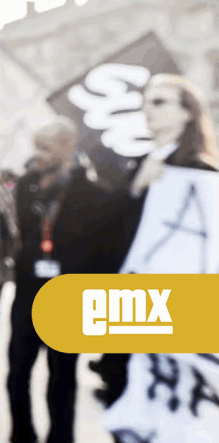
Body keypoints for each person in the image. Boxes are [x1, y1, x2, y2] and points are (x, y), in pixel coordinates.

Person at [96, 73, 219, 442]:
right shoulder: (136, 165)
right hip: (127, 303)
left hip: (175, 311)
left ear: (187, 113)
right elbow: (106, 231)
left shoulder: (203, 171)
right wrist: (136, 188)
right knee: (126, 403)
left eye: (160, 102)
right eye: (146, 101)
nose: (148, 110)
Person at [6, 118, 106, 443]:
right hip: (27, 294)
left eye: (45, 148)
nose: (37, 154)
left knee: (61, 379)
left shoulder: (89, 193)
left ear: (67, 148)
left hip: (67, 299)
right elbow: (23, 232)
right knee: (17, 373)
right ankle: (22, 435)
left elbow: (97, 248)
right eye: (35, 146)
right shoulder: (26, 184)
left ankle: (61, 438)